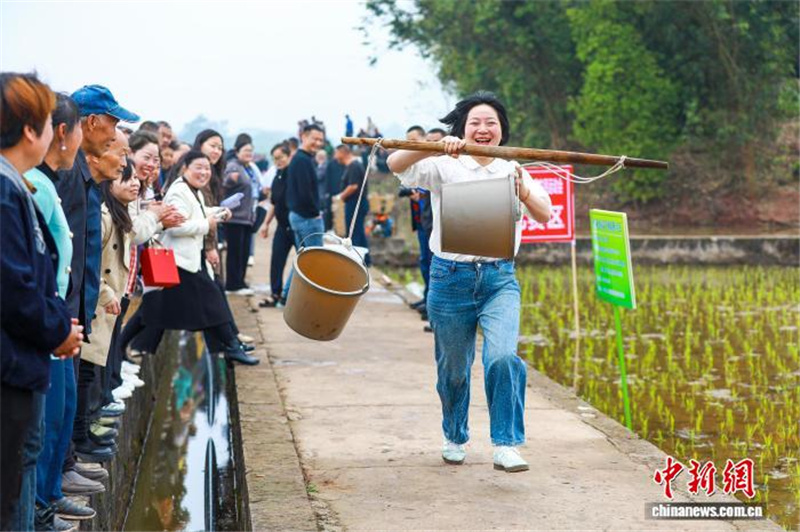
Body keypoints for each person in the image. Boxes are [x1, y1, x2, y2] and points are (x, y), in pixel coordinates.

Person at [386, 91, 552, 473]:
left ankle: (506, 443)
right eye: (474, 122)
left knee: (504, 356)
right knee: (454, 369)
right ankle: (455, 433)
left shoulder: (513, 168)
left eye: (490, 123)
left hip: (498, 279)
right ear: (462, 128)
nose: (482, 129)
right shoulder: (444, 164)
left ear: (501, 131)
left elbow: (544, 214)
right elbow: (395, 163)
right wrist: (431, 146)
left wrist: (521, 190)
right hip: (450, 280)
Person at [0, 72, 83, 531]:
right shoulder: (5, 191)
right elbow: (15, 287)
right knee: (15, 475)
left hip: (22, 357)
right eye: (50, 122)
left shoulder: (15, 185)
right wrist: (57, 330)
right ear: (31, 130)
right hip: (11, 365)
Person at [54, 83, 139, 497]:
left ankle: (66, 467)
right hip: (67, 307)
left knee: (70, 394)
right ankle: (57, 482)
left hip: (81, 305)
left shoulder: (84, 179)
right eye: (112, 125)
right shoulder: (70, 178)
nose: (115, 135)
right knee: (60, 402)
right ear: (89, 123)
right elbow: (64, 252)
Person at [26, 93, 98, 529]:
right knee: (45, 424)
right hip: (45, 326)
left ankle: (50, 495)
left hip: (59, 320)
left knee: (62, 413)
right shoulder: (32, 185)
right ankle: (39, 507)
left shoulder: (48, 183)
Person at [133, 151, 258, 365]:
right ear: (185, 168)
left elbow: (198, 212)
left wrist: (218, 212)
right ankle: (230, 346)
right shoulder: (178, 191)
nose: (204, 172)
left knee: (152, 313)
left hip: (189, 260)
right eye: (198, 167)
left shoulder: (193, 190)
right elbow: (177, 226)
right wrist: (208, 224)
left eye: (207, 168)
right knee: (213, 302)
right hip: (178, 262)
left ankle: (131, 348)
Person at [72, 129, 130, 465]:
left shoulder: (99, 199)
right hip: (89, 302)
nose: (123, 163)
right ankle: (79, 442)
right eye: (116, 151)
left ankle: (82, 436)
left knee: (90, 372)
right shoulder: (94, 203)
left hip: (97, 300)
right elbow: (87, 257)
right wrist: (105, 292)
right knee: (84, 375)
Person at [282, 124, 325, 301]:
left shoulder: (304, 158)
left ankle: (288, 294)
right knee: (313, 260)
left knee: (304, 259)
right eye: (314, 138)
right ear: (303, 136)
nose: (318, 143)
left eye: (321, 140)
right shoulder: (302, 160)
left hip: (299, 215)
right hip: (306, 217)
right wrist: (315, 213)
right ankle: (299, 297)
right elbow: (304, 192)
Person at [258, 143, 293, 307]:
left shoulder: (294, 175)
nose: (278, 162)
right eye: (275, 159)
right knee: (276, 261)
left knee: (303, 263)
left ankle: (292, 296)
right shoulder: (277, 175)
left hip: (296, 226)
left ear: (289, 156)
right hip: (281, 226)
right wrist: (265, 224)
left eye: (281, 158)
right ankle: (275, 293)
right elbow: (274, 202)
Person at [222, 137, 256, 295]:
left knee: (243, 253)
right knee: (235, 253)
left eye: (251, 150)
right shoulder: (233, 166)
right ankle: (232, 285)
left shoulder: (246, 167)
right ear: (237, 152)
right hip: (235, 217)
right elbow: (225, 182)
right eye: (246, 151)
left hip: (246, 218)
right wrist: (230, 179)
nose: (249, 153)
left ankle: (240, 283)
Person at [333, 145, 371, 266]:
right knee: (358, 231)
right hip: (353, 203)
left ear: (343, 152)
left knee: (355, 232)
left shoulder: (354, 165)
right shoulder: (351, 165)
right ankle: (365, 259)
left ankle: (357, 260)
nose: (334, 156)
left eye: (336, 153)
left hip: (356, 204)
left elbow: (353, 186)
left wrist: (340, 197)